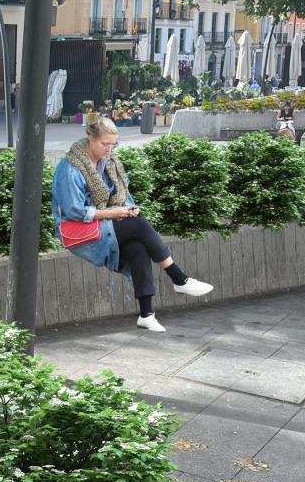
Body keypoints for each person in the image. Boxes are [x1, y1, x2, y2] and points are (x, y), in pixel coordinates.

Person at [52, 117, 213, 333]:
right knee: (139, 226)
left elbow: (122, 195)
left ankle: (146, 314)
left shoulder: (109, 162)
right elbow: (74, 211)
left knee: (138, 248)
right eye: (104, 144)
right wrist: (113, 213)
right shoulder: (70, 168)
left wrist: (128, 209)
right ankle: (179, 278)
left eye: (112, 144)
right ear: (90, 138)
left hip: (105, 223)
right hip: (80, 231)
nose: (109, 149)